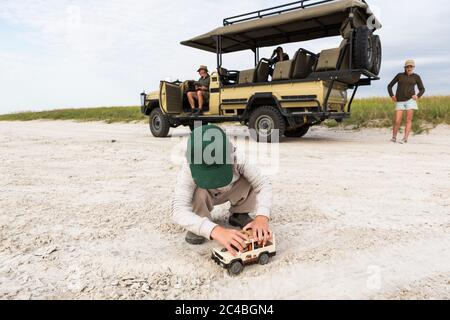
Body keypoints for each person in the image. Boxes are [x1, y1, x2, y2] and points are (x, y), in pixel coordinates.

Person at [171, 125, 273, 256]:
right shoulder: (188, 168)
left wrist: (262, 217)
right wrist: (214, 230)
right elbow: (178, 210)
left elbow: (263, 183)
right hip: (206, 194)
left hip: (233, 189)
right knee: (196, 192)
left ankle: (239, 214)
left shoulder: (238, 157)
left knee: (250, 179)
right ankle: (200, 220)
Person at [388, 59, 425, 144]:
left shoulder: (416, 77)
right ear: (405, 67)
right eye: (407, 66)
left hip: (410, 101)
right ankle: (394, 138)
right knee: (397, 120)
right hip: (399, 100)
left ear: (413, 67)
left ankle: (405, 138)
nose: (409, 68)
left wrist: (417, 96)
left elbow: (422, 89)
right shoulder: (399, 75)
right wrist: (392, 95)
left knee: (408, 120)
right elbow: (389, 86)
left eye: (411, 66)